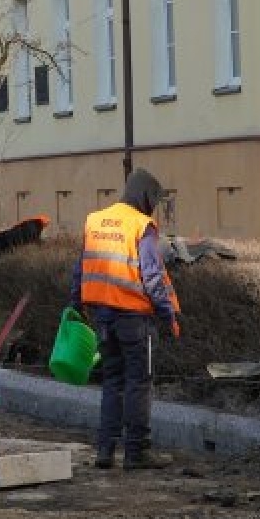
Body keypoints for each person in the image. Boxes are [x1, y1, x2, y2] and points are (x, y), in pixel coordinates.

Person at [69, 169, 181, 471]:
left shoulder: (96, 220)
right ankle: (136, 452)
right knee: (138, 383)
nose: (153, 207)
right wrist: (167, 314)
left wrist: (75, 304)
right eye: (153, 201)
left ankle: (105, 450)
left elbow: (80, 269)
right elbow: (152, 276)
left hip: (102, 318)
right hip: (134, 319)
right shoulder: (141, 226)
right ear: (145, 196)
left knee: (112, 381)